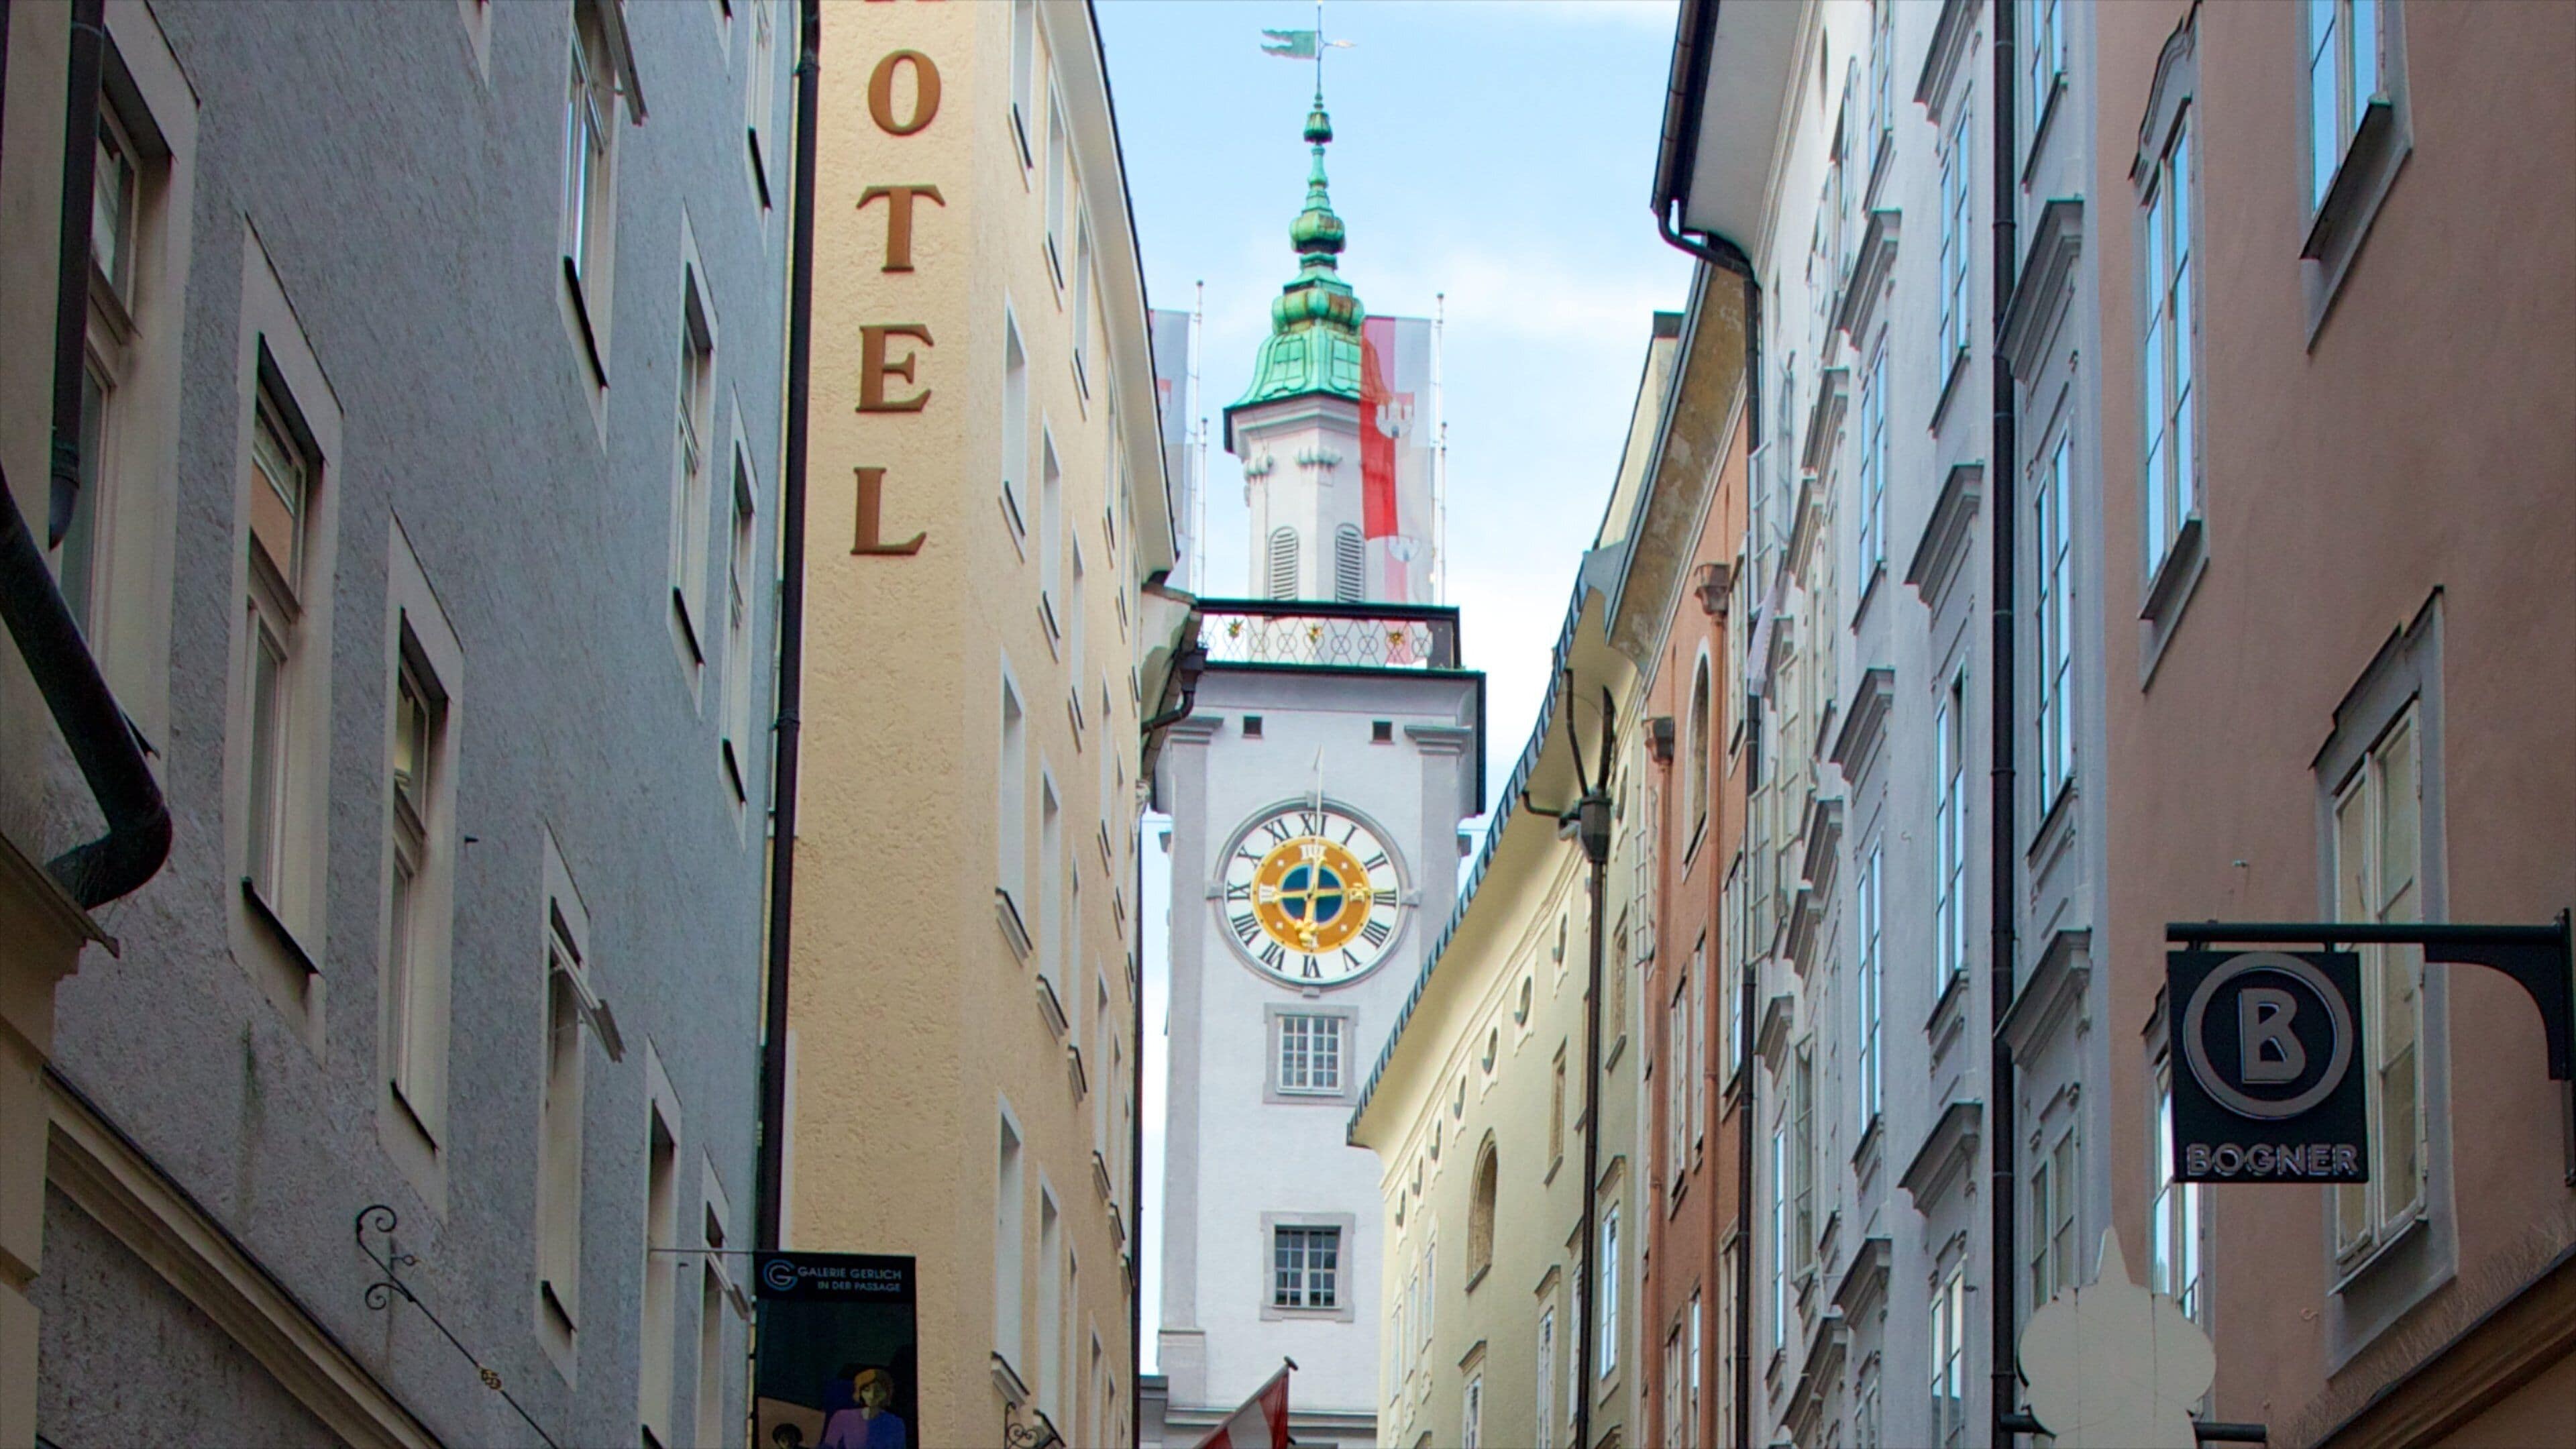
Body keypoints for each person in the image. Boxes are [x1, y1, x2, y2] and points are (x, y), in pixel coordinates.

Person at [818, 1366, 908, 1449]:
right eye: (867, 1390)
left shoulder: (896, 1423)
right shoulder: (842, 1417)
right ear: (859, 1392)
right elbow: (828, 1446)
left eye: (878, 1390)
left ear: (887, 1393)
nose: (872, 1395)